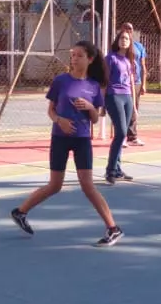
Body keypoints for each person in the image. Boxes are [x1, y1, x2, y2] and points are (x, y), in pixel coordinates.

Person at [10, 41, 123, 246]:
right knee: (55, 185)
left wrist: (90, 107)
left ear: (90, 59)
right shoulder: (61, 81)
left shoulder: (93, 86)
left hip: (82, 140)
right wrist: (59, 120)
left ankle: (113, 228)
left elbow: (95, 119)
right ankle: (20, 212)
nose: (74, 59)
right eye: (73, 55)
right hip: (59, 138)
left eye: (79, 55)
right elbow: (51, 110)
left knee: (88, 186)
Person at [104, 29, 138, 184]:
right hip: (114, 96)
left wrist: (134, 106)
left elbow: (131, 82)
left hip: (127, 96)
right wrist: (101, 102)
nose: (124, 40)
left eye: (127, 38)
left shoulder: (129, 61)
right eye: (122, 38)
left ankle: (117, 169)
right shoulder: (110, 58)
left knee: (122, 134)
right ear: (117, 41)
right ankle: (110, 170)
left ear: (130, 43)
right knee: (121, 132)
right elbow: (104, 81)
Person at [120, 22, 148, 147]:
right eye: (125, 28)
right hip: (123, 82)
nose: (128, 30)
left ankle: (132, 136)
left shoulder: (139, 46)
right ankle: (121, 136)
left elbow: (143, 65)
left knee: (134, 109)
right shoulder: (120, 46)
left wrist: (143, 84)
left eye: (130, 29)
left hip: (136, 82)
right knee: (124, 109)